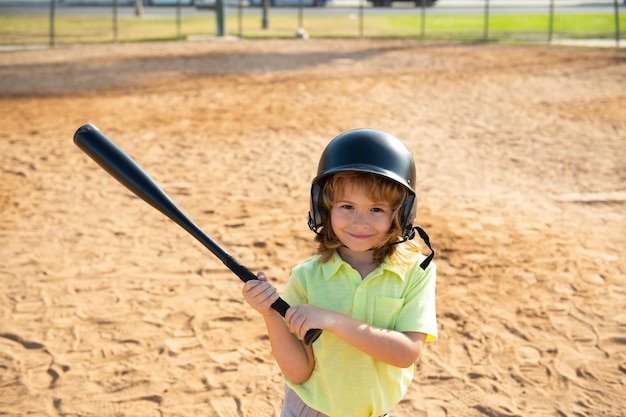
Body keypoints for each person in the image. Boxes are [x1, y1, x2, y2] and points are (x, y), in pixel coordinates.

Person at [242, 128, 437, 417]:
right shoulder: (307, 276)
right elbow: (298, 372)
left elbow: (405, 353)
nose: (360, 221)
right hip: (308, 411)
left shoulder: (415, 272)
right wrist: (271, 313)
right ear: (324, 209)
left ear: (402, 214)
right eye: (347, 206)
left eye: (377, 209)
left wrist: (333, 320)